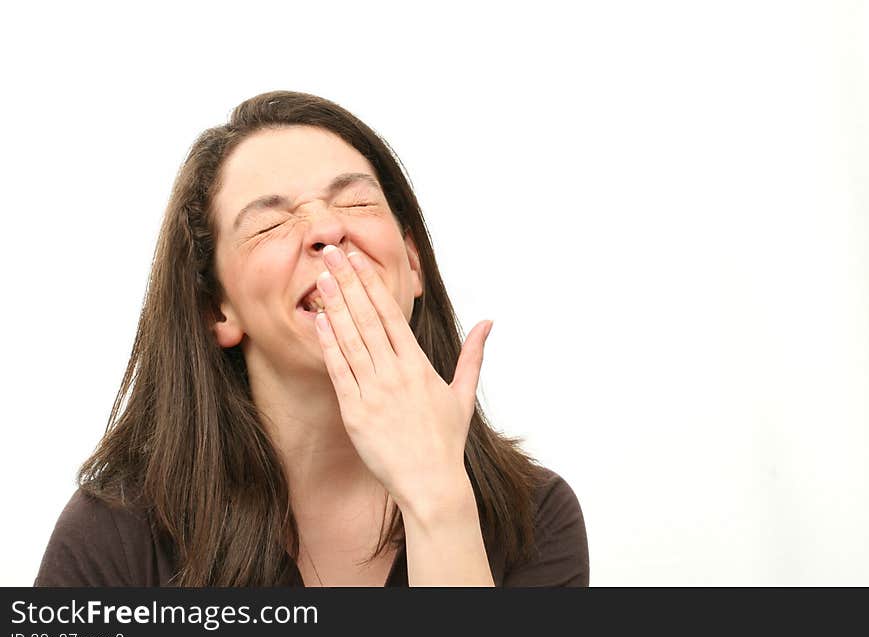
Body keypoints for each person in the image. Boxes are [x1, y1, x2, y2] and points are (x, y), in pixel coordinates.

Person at [34, 91, 589, 587]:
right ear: (217, 308)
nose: (327, 230)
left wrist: (437, 500)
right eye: (271, 224)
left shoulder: (536, 515)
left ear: (413, 263)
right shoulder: (117, 532)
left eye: (356, 202)